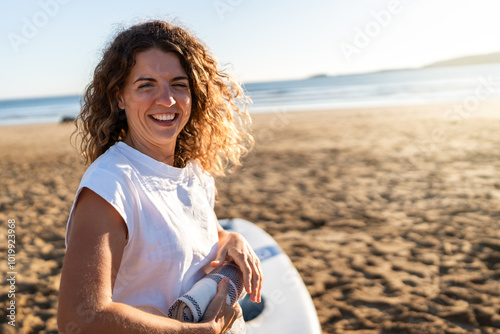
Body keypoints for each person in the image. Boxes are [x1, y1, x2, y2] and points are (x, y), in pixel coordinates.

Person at [58, 20, 262, 334]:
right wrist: (201, 332)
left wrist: (231, 240)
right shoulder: (110, 185)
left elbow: (193, 239)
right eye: (146, 84)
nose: (166, 99)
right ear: (119, 97)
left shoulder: (193, 171)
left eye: (179, 84)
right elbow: (82, 316)